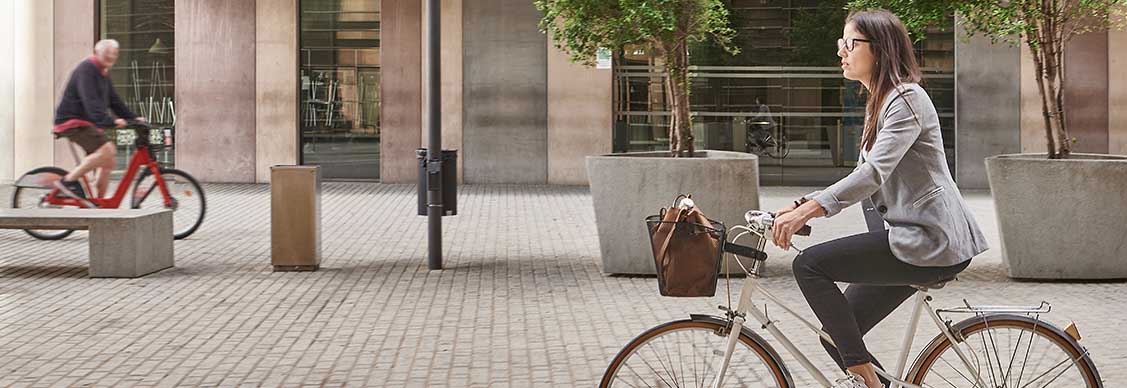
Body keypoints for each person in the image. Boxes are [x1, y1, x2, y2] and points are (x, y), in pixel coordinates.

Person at [768, 10, 989, 388]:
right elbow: (863, 182)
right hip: (909, 239)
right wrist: (799, 204)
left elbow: (872, 175)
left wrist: (809, 210)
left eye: (850, 43)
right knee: (837, 335)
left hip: (930, 240)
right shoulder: (880, 103)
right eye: (842, 44)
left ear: (880, 50)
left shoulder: (906, 99)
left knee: (809, 266)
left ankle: (868, 382)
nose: (842, 52)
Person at [52, 39, 145, 206]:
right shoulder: (87, 69)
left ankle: (100, 205)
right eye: (107, 53)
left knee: (108, 161)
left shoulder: (103, 72)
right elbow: (91, 102)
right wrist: (111, 121)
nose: (111, 57)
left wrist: (134, 118)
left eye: (114, 54)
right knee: (108, 150)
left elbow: (114, 101)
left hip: (87, 123)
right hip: (72, 122)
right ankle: (67, 181)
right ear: (97, 52)